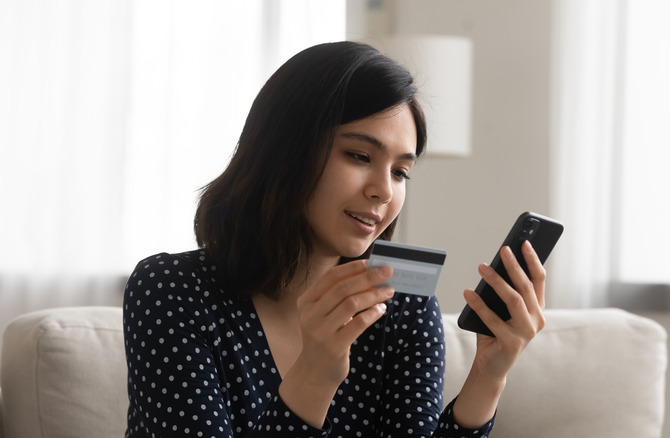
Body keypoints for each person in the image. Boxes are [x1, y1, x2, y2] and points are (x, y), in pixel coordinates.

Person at [123, 41, 546, 438]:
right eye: (360, 156)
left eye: (400, 172)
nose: (384, 190)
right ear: (284, 152)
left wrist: (488, 376)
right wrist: (315, 373)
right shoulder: (171, 290)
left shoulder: (402, 301)